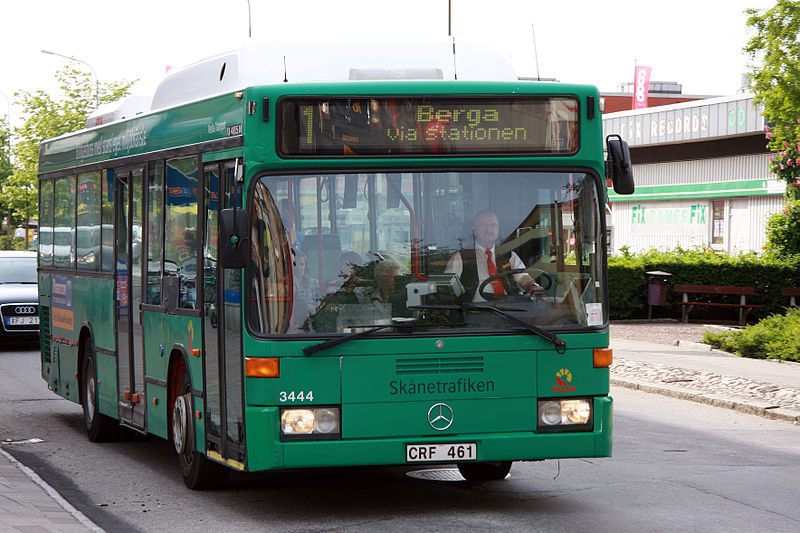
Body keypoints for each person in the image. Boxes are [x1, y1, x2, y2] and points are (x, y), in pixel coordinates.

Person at [445, 210, 542, 302]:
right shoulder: (461, 257)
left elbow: (523, 277)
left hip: (511, 309)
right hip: (476, 312)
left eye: (493, 225)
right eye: (483, 225)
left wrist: (532, 286)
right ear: (475, 231)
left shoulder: (509, 255)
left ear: (498, 230)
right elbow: (448, 286)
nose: (489, 230)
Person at [292, 251, 319, 330]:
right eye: (295, 264)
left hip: (312, 323)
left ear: (305, 266)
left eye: (301, 264)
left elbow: (318, 307)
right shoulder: (288, 285)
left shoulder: (314, 284)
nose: (298, 268)